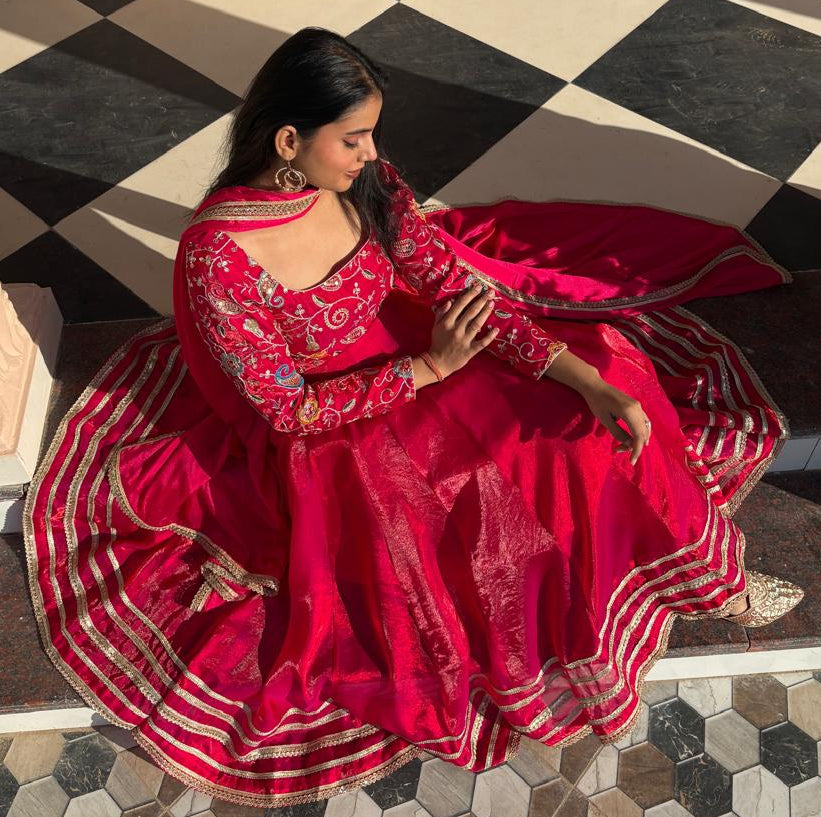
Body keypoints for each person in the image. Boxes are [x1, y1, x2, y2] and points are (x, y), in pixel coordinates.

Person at [24, 26, 804, 809]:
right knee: (466, 505)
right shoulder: (218, 255)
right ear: (289, 141)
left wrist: (572, 374)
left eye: (371, 134)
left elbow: (447, 282)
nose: (371, 153)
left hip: (423, 348)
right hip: (335, 425)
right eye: (352, 138)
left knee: (597, 394)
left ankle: (706, 581)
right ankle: (548, 639)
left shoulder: (365, 180)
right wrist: (429, 368)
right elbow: (286, 410)